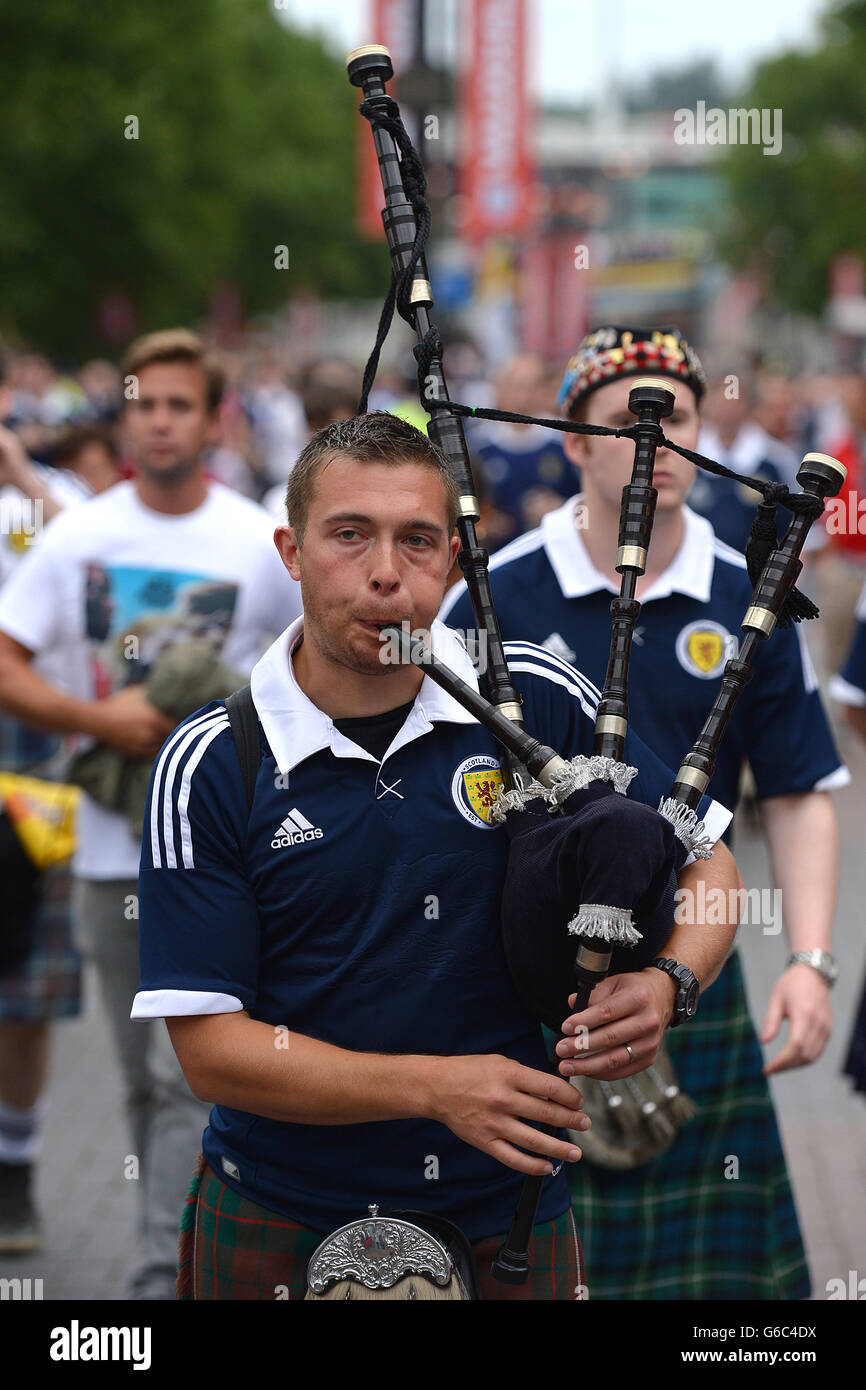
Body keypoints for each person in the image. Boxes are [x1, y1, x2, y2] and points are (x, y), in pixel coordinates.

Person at [131, 410, 742, 1301]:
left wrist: (667, 985)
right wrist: (434, 1089)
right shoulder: (211, 762)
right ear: (290, 551)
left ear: (454, 562)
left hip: (511, 1209)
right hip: (281, 1208)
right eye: (349, 535)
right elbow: (212, 1052)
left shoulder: (533, 696)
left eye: (418, 541)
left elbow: (709, 864)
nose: (386, 573)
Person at [440, 324, 848, 1300]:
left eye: (676, 422)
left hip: (687, 964)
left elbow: (793, 790)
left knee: (705, 1295)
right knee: (530, 1267)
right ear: (571, 442)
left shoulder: (746, 593)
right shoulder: (497, 596)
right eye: (626, 423)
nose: (653, 446)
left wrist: (808, 959)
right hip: (524, 972)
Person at [0, 328, 302, 1297]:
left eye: (178, 404)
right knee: (142, 1076)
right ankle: (186, 1241)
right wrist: (101, 718)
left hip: (225, 852)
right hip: (104, 851)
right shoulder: (79, 536)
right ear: (125, 418)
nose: (159, 420)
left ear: (212, 419)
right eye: (143, 404)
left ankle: (158, 1278)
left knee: (190, 1078)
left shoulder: (258, 535)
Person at [690, 372, 799, 554]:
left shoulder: (775, 459)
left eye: (735, 400)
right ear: (707, 404)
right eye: (722, 400)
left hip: (756, 574)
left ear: (748, 406)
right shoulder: (689, 455)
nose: (728, 408)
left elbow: (796, 526)